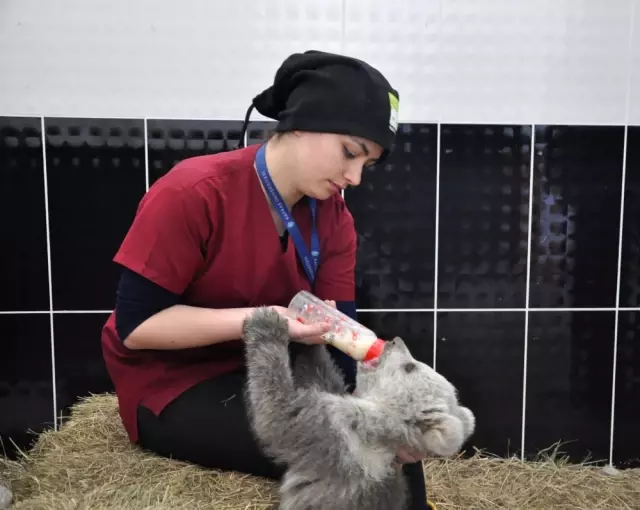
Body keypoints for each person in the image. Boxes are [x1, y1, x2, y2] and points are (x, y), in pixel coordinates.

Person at [101, 49, 432, 509]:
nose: (355, 177)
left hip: (270, 372)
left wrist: (379, 398)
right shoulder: (192, 193)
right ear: (300, 123)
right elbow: (136, 329)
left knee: (385, 438)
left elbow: (342, 339)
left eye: (367, 164)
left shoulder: (333, 218)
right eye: (350, 153)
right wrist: (263, 322)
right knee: (344, 448)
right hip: (175, 382)